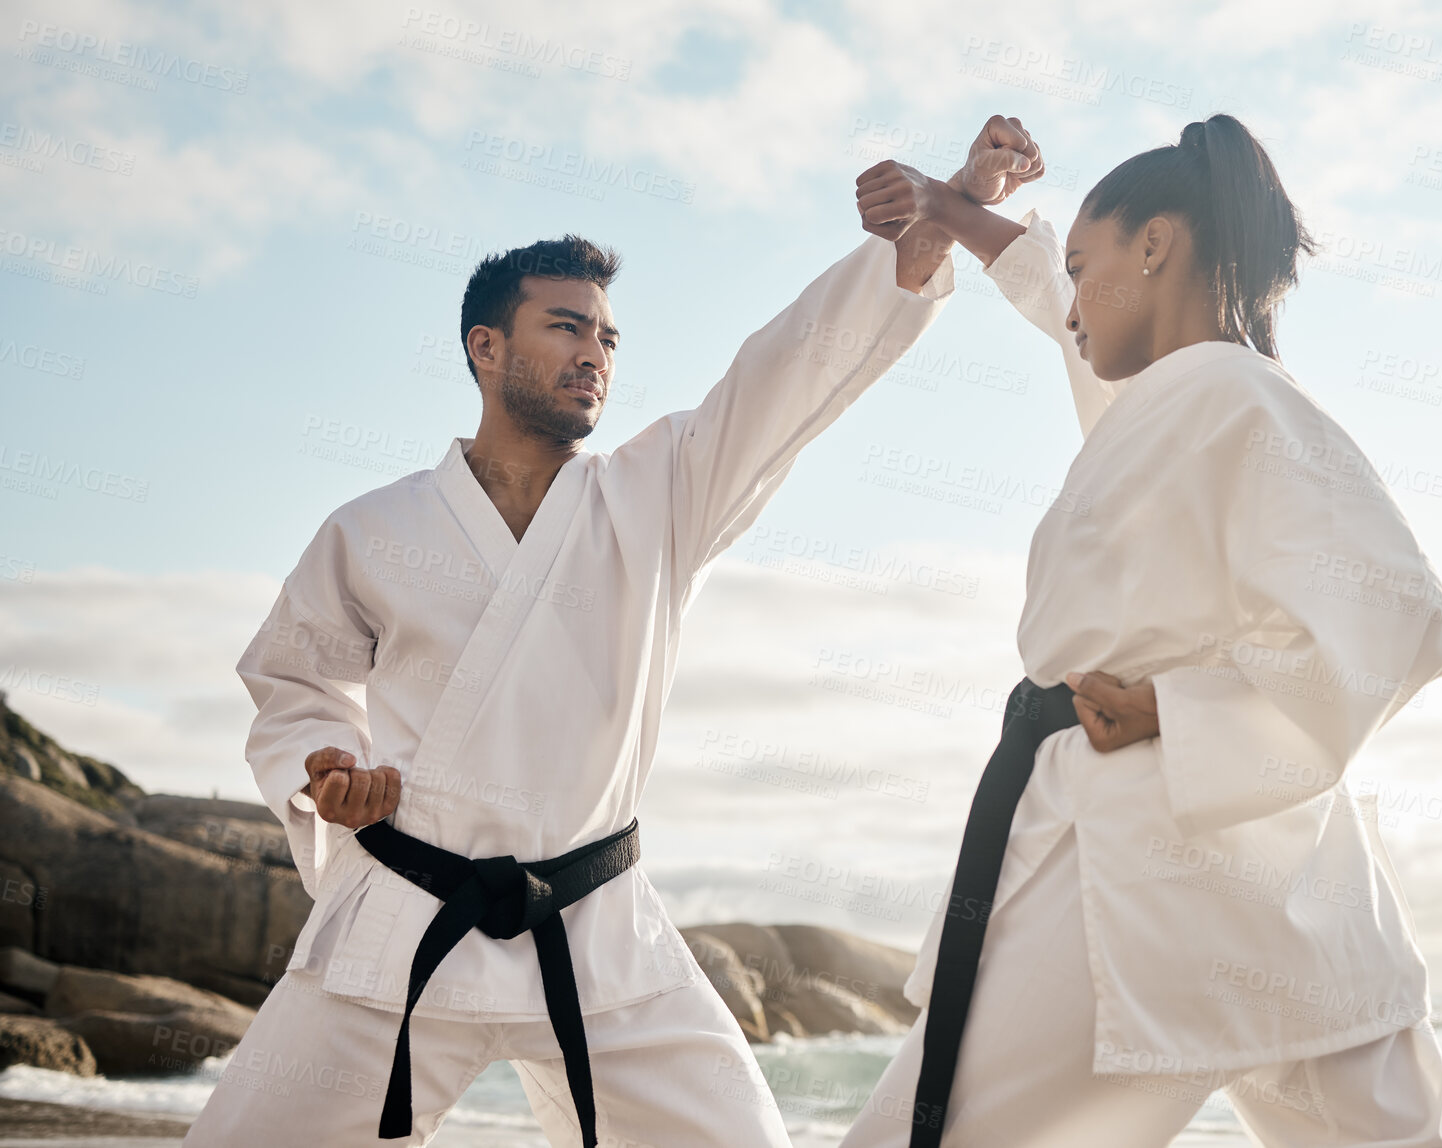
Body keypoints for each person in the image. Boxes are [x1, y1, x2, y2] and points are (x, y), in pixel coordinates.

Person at [184, 121, 1038, 1147]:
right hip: (404, 923)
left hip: (597, 931)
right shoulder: (373, 528)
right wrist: (329, 764)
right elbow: (295, 678)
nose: (592, 353)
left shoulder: (657, 494)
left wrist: (944, 212)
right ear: (484, 347)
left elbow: (790, 373)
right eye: (564, 328)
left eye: (605, 338)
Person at [840, 116, 1442, 1147]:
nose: (1066, 303)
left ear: (1153, 245)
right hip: (1270, 884)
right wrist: (949, 208)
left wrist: (1184, 710)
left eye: (1082, 265)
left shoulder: (1230, 395)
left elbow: (1396, 612)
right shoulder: (1166, 402)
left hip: (1128, 857)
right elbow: (1045, 300)